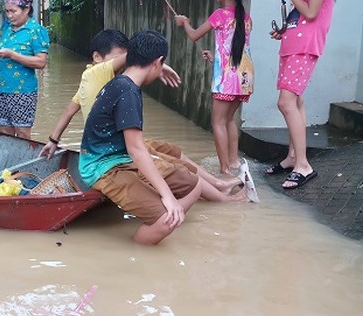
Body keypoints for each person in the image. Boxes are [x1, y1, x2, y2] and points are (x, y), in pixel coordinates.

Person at [79, 30, 249, 246]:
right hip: (103, 167)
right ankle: (134, 256)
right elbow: (137, 149)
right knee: (165, 220)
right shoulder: (127, 92)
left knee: (192, 182)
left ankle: (177, 204)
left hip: (119, 158)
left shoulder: (122, 83)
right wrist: (167, 196)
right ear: (158, 62)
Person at [40, 29, 249, 195]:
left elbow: (70, 110)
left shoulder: (97, 78)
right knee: (175, 168)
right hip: (112, 150)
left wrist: (52, 140)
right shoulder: (97, 73)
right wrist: (154, 63)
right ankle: (220, 196)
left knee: (172, 151)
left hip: (121, 142)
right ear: (97, 57)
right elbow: (136, 55)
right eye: (120, 58)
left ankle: (216, 184)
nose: (125, 62)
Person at [267, 0, 334, 190]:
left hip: (306, 45)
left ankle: (304, 165)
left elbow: (312, 11)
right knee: (296, 100)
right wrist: (282, 29)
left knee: (285, 102)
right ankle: (293, 157)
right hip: (291, 42)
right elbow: (298, 15)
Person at [174, 0, 254, 179]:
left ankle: (225, 170)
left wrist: (184, 23)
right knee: (229, 120)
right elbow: (234, 47)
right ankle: (234, 161)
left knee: (218, 122)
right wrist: (215, 56)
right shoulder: (246, 17)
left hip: (226, 80)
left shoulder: (219, 15)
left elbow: (194, 35)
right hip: (244, 77)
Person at [0, 0, 50, 139]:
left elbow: (41, 62)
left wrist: (11, 54)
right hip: (1, 89)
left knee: (23, 135)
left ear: (26, 9)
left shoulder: (36, 31)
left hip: (22, 92)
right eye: (7, 11)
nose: (9, 16)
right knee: (4, 134)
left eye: (13, 11)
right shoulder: (6, 27)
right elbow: (4, 53)